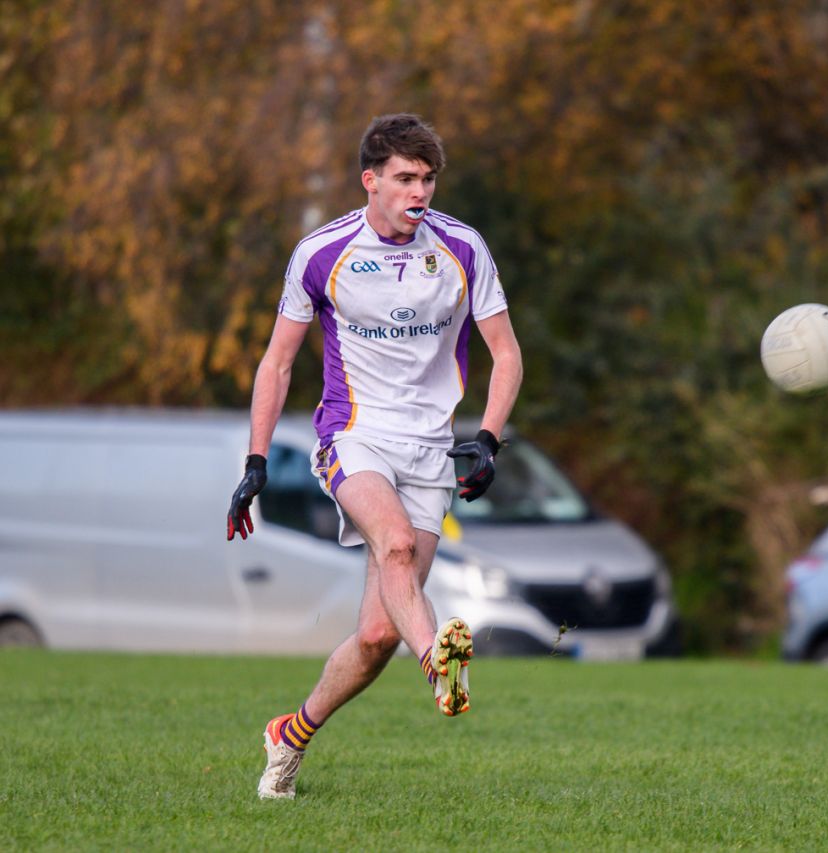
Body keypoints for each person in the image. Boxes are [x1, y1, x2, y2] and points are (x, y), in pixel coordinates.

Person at [225, 113, 522, 800]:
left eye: (428, 179)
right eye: (406, 178)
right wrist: (256, 460)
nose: (420, 191)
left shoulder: (461, 248)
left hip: (429, 447)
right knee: (392, 548)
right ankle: (440, 664)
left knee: (375, 633)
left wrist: (489, 437)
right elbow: (277, 364)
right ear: (371, 180)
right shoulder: (322, 253)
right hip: (352, 436)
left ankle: (290, 733)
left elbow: (507, 354)